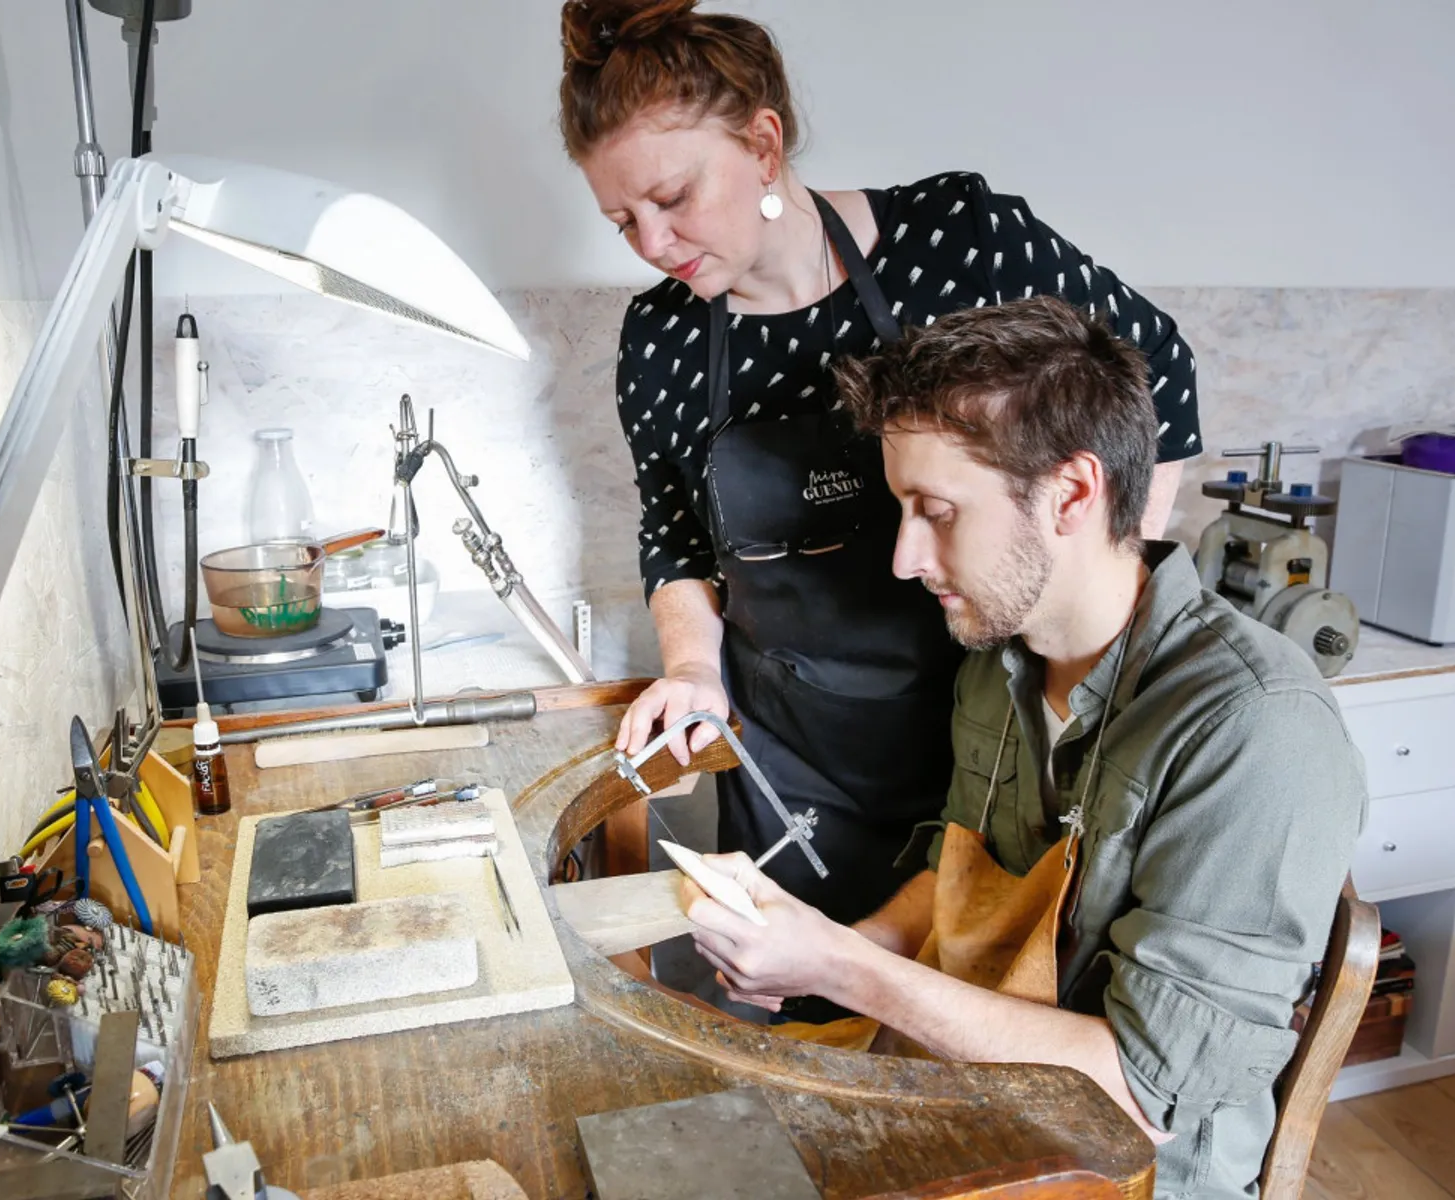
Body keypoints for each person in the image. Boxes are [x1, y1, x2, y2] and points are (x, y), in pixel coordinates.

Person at [676, 297, 1368, 1200]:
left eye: (936, 511)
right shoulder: (997, 664)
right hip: (970, 1100)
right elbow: (957, 873)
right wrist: (824, 944)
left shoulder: (1255, 728)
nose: (904, 558)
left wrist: (840, 968)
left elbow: (1139, 1094)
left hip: (1122, 1172)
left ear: (1072, 494)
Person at [558, 0, 1204, 940]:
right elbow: (676, 535)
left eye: (673, 198)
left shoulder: (960, 243)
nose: (653, 244)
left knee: (979, 991)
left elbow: (1159, 377)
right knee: (803, 1000)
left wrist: (1093, 628)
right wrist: (693, 668)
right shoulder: (661, 339)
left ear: (763, 144)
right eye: (623, 221)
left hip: (996, 740)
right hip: (793, 766)